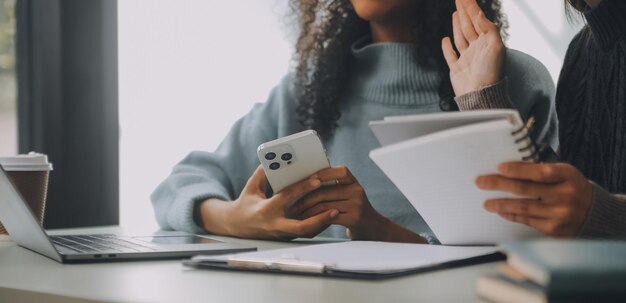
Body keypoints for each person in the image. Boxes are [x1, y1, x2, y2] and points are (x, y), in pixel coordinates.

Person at [151, 0, 558, 243]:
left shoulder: (514, 80)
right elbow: (179, 183)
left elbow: (537, 239)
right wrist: (236, 219)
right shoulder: (308, 90)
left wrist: (379, 229)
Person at [446, 0, 626, 238]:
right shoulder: (582, 51)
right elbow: (561, 203)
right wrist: (483, 99)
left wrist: (604, 214)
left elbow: (586, 211)